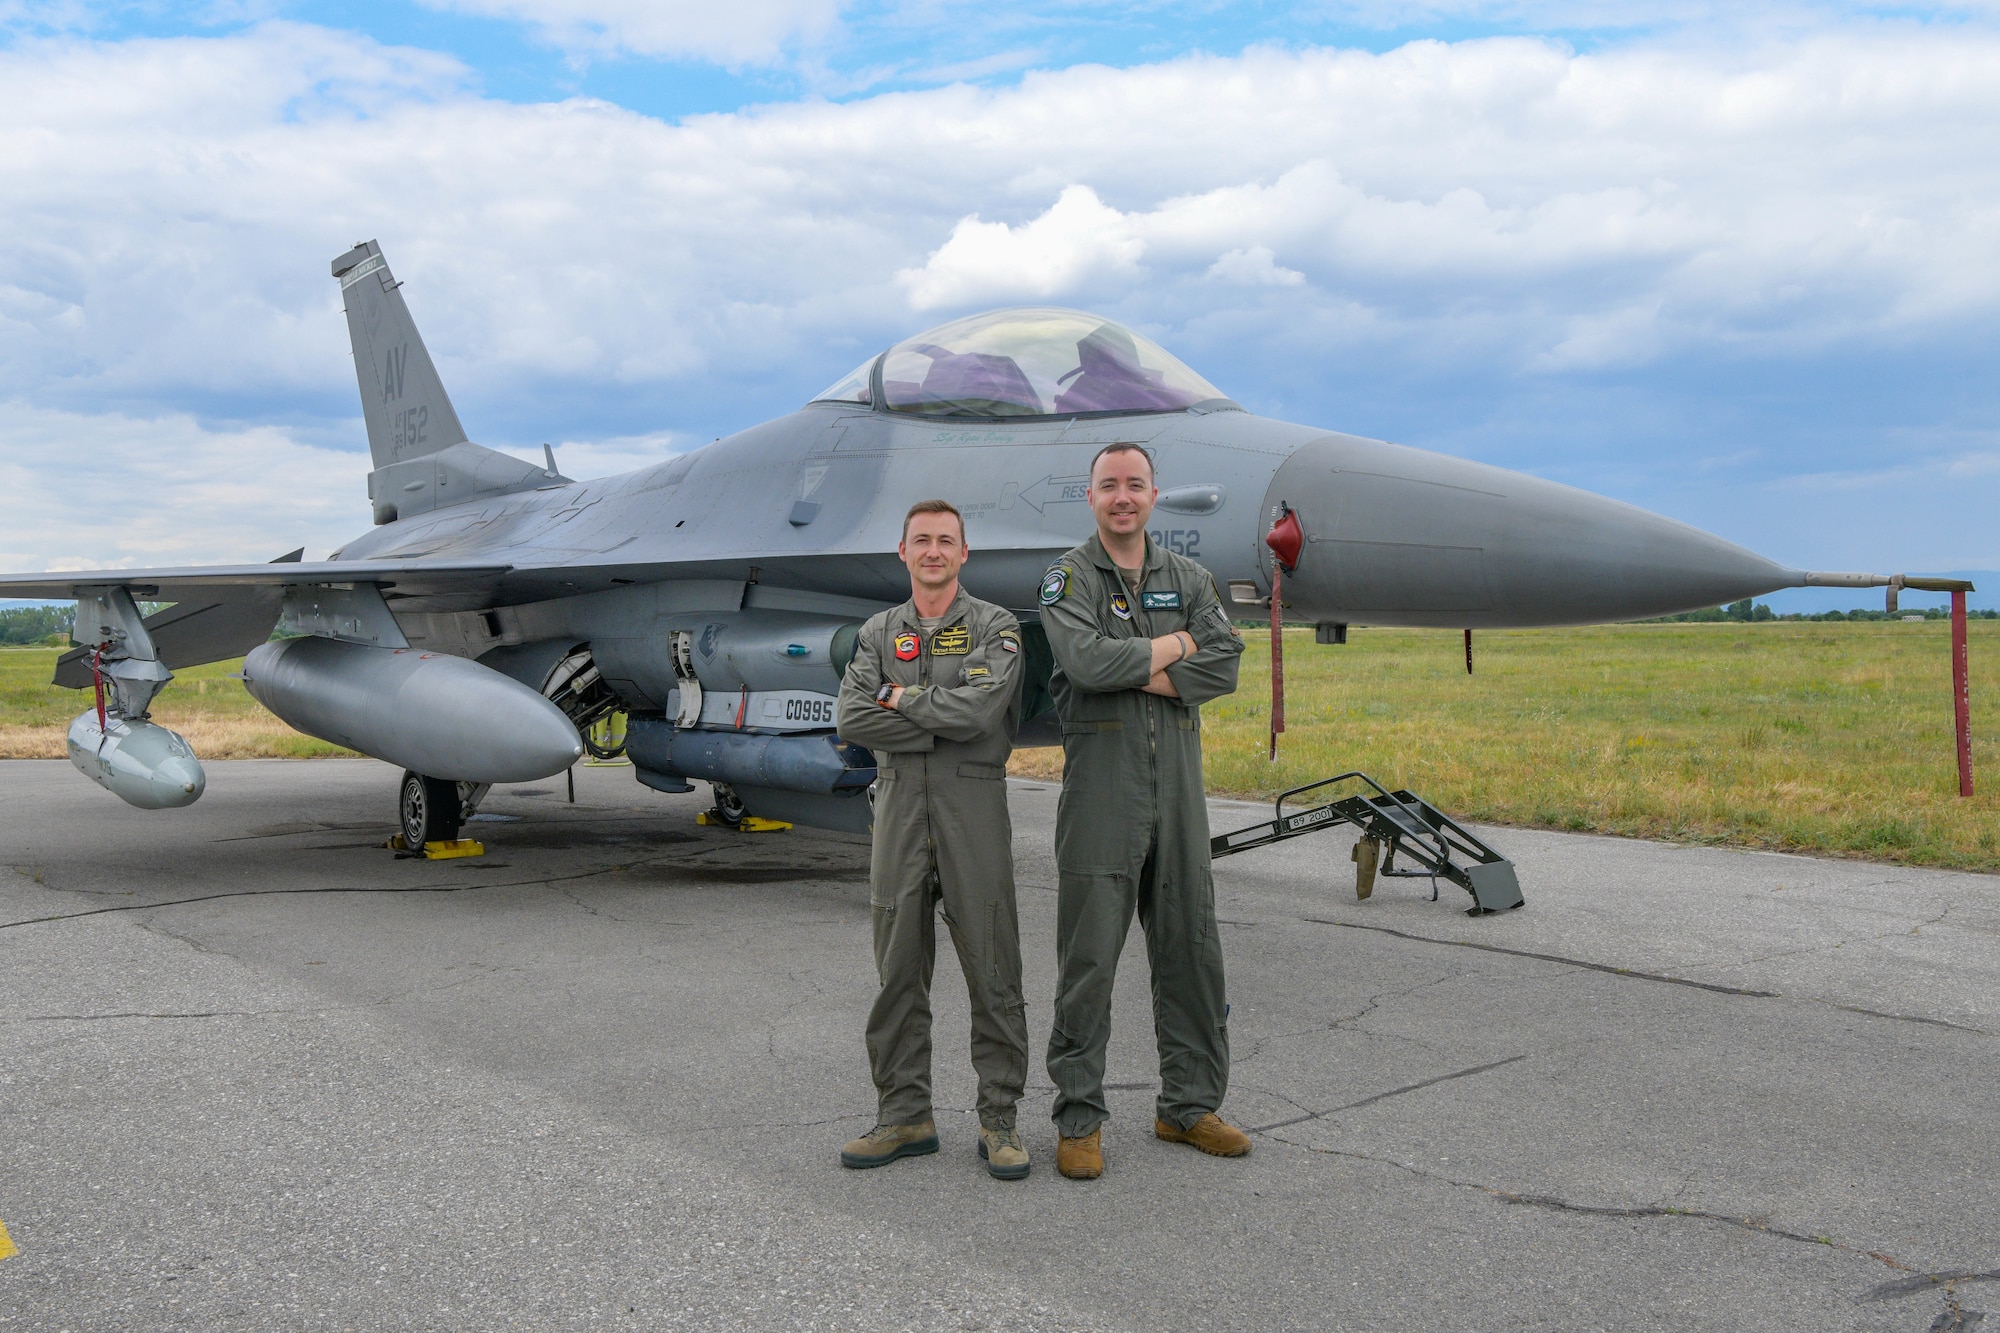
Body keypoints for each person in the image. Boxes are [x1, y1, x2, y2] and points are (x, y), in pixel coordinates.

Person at [1038, 443, 1248, 1180]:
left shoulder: (1186, 576)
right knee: (1089, 958)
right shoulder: (1068, 576)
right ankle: (1078, 1114)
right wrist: (1177, 646)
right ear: (1090, 496)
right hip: (1103, 792)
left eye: (1134, 484)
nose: (1122, 497)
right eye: (1108, 486)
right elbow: (1086, 664)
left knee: (1192, 948)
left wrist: (1143, 661)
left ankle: (1188, 1106)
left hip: (1180, 794)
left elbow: (1224, 663)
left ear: (1154, 494)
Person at [833, 499, 1032, 1180]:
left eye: (946, 540)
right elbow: (851, 714)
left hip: (971, 806)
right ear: (904, 550)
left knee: (993, 965)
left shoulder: (995, 626)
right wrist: (928, 718)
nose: (934, 550)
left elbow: (981, 711)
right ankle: (904, 1114)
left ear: (964, 553)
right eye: (922, 539)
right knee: (896, 968)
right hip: (896, 811)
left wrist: (899, 702)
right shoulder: (878, 631)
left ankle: (999, 1119)